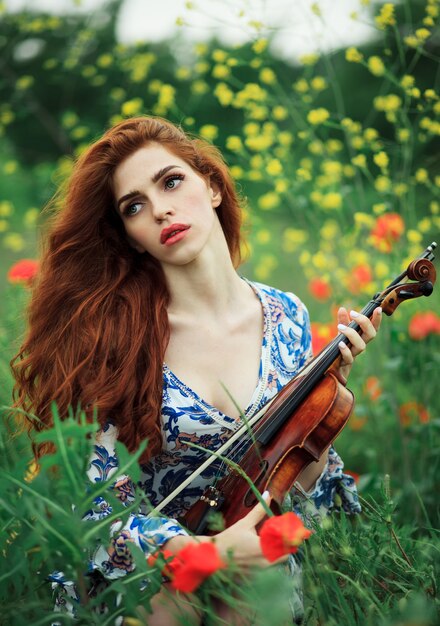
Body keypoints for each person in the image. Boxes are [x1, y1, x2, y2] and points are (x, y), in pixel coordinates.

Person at [11, 116, 381, 625]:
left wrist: (325, 402)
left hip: (256, 567)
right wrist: (206, 555)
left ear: (210, 186)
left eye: (171, 181)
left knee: (250, 587)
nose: (160, 208)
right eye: (134, 206)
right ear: (133, 237)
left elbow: (297, 486)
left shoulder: (287, 314)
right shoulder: (114, 339)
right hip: (150, 575)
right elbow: (93, 509)